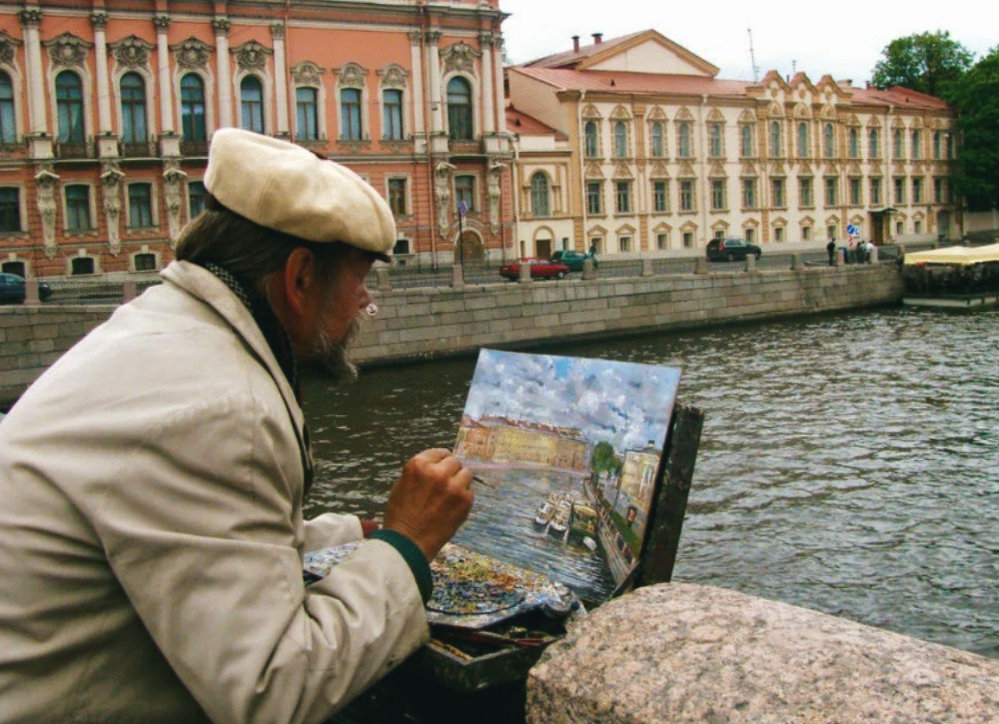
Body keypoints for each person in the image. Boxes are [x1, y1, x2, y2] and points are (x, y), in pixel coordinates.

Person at [0, 129, 474, 724]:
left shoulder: (161, 328)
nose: (364, 305)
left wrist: (359, 530)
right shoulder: (222, 407)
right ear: (300, 278)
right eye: (360, 281)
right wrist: (407, 543)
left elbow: (214, 542)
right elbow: (273, 692)